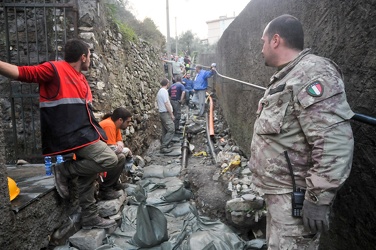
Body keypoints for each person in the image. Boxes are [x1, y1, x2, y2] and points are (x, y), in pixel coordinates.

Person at [248, 14, 354, 249]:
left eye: (263, 42)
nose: (261, 49)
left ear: (276, 40)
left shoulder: (312, 73)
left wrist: (318, 198)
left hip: (295, 203)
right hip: (279, 199)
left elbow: (334, 140)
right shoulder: (287, 77)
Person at [0, 39, 120, 229]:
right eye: (89, 56)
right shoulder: (54, 69)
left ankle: (89, 216)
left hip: (84, 135)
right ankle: (64, 170)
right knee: (110, 159)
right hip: (69, 136)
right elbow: (21, 73)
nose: (90, 59)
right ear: (83, 57)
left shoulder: (81, 79)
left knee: (89, 172)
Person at [99, 107, 133, 191]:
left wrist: (120, 144)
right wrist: (126, 150)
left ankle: (114, 183)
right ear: (120, 120)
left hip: (102, 153)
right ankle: (106, 189)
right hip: (98, 156)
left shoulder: (115, 125)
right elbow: (111, 149)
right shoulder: (109, 125)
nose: (129, 124)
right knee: (120, 157)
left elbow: (119, 141)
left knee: (121, 155)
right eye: (127, 122)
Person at [156, 78, 175, 154]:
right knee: (171, 129)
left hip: (162, 112)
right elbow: (166, 103)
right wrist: (171, 114)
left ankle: (165, 145)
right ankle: (164, 147)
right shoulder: (164, 92)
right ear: (167, 83)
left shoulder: (160, 91)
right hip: (165, 113)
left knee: (165, 130)